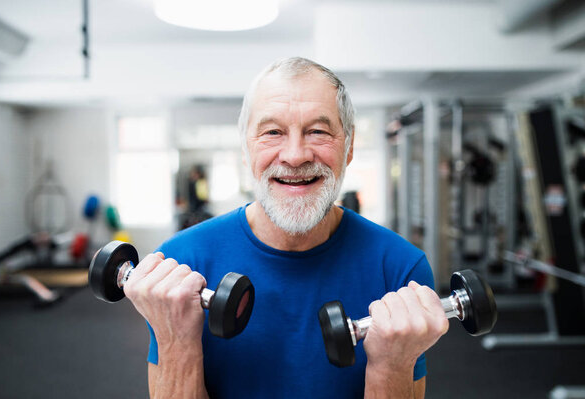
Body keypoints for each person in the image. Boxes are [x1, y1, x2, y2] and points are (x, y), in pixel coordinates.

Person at [123, 57, 449, 399]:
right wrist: (176, 342)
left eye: (318, 131)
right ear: (247, 149)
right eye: (273, 132)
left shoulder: (400, 269)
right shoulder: (179, 264)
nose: (295, 155)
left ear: (349, 146)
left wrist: (391, 366)